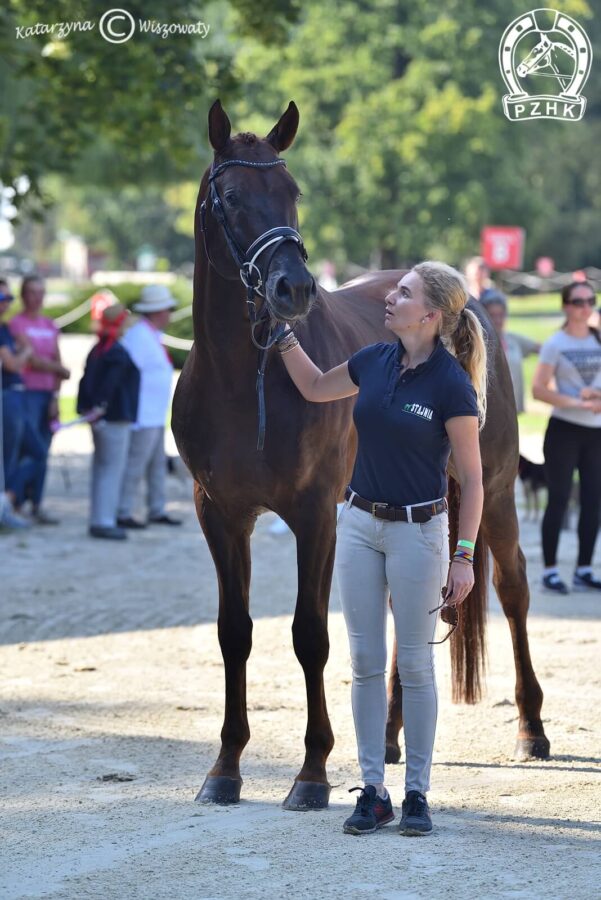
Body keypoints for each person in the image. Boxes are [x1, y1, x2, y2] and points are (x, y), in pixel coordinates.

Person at [277, 261, 486, 836]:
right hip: (359, 526)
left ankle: (416, 793)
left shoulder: (451, 384)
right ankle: (373, 790)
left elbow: (472, 477)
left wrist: (463, 555)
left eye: (403, 292)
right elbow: (317, 386)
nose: (389, 298)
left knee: (414, 666)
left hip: (421, 534)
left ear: (431, 314)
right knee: (366, 664)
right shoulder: (374, 360)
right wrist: (282, 335)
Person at [532, 281, 601, 594]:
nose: (585, 307)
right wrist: (577, 402)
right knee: (558, 500)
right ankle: (550, 570)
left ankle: (584, 568)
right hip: (564, 431)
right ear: (565, 306)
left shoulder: (598, 340)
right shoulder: (555, 344)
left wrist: (596, 397)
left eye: (591, 300)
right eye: (578, 301)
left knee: (593, 500)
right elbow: (539, 388)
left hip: (596, 432)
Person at [117, 285, 181, 528]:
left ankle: (157, 508)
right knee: (135, 464)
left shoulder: (152, 335)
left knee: (156, 466)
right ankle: (123, 510)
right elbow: (127, 374)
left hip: (154, 414)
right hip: (142, 414)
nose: (170, 314)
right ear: (157, 311)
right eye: (168, 309)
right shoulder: (139, 337)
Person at [9, 275, 70, 523]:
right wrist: (56, 368)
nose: (38, 297)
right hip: (26, 393)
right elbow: (30, 359)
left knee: (45, 449)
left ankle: (37, 503)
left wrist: (56, 394)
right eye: (33, 292)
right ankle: (16, 500)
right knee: (30, 450)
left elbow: (58, 359)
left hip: (47, 394)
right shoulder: (16, 324)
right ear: (23, 295)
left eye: (41, 292)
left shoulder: (49, 325)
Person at [77, 304, 140, 540]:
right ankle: (104, 521)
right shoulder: (115, 351)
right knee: (111, 470)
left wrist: (87, 408)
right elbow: (109, 385)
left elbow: (86, 381)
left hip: (102, 417)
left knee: (102, 468)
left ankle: (100, 518)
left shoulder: (100, 348)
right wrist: (100, 406)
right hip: (113, 417)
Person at [0, 283, 45, 526]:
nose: (6, 301)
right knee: (10, 456)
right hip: (7, 395)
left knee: (35, 451)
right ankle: (5, 505)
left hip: (15, 394)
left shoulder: (5, 328)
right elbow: (12, 365)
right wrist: (26, 351)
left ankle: (7, 500)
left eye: (9, 296)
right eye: (2, 296)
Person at [480, 290, 540, 414]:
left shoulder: (513, 339)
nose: (497, 320)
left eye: (501, 315)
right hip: (487, 411)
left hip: (511, 409)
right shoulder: (477, 344)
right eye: (492, 315)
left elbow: (545, 350)